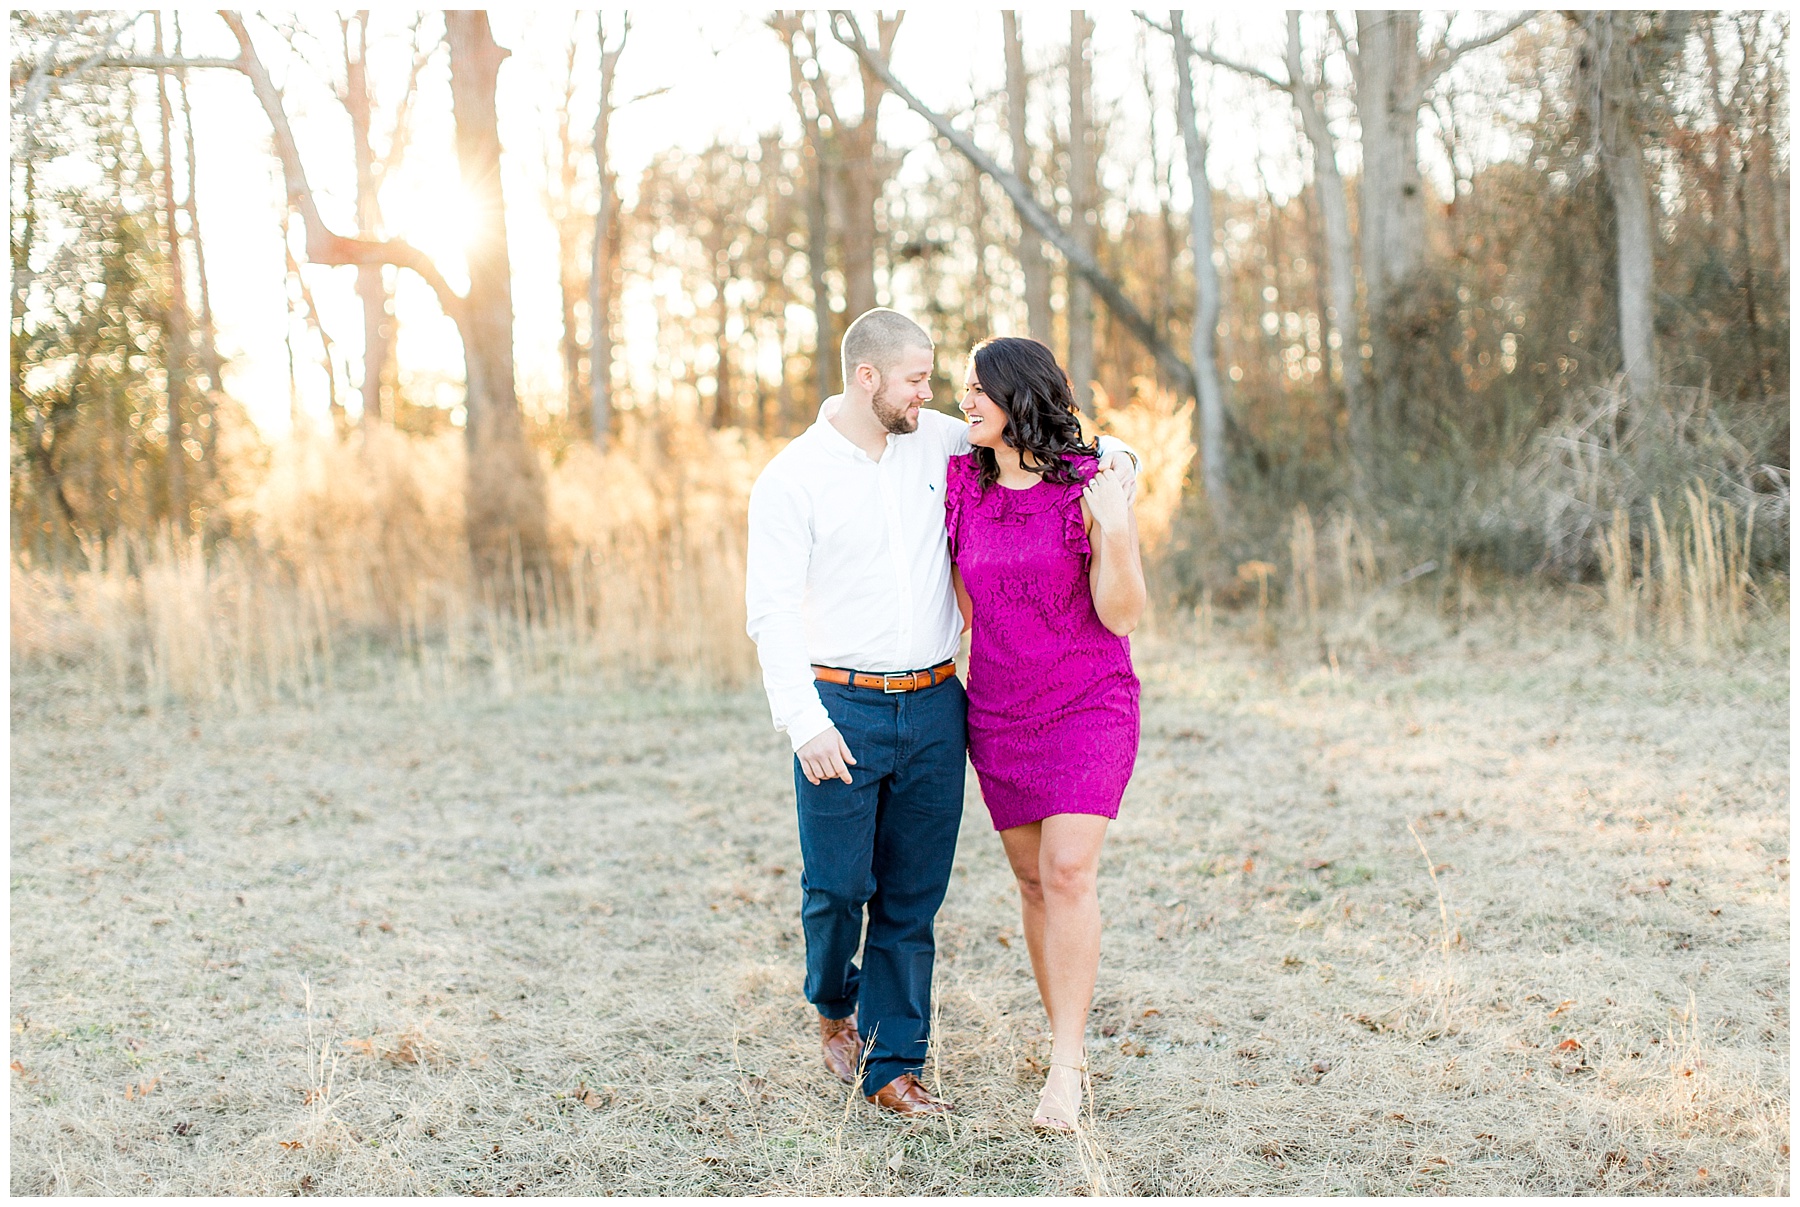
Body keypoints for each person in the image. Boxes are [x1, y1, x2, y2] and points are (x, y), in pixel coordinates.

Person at [744, 309, 1137, 1118]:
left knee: (912, 895)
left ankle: (894, 1065)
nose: (937, 396)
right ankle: (832, 1000)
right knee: (837, 887)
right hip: (841, 702)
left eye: (942, 382)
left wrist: (1122, 465)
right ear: (869, 378)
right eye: (919, 380)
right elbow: (771, 611)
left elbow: (1065, 443)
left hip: (937, 702)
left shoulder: (942, 443)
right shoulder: (793, 477)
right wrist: (803, 720)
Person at [945, 336, 1145, 1132]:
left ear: (1018, 393)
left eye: (976, 387)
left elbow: (1122, 615)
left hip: (1088, 702)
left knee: (1066, 871)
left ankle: (1067, 1065)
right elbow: (963, 602)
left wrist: (1117, 528)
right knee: (1032, 881)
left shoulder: (1091, 483)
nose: (964, 400)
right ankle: (1061, 1032)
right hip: (999, 709)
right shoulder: (962, 481)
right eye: (961, 386)